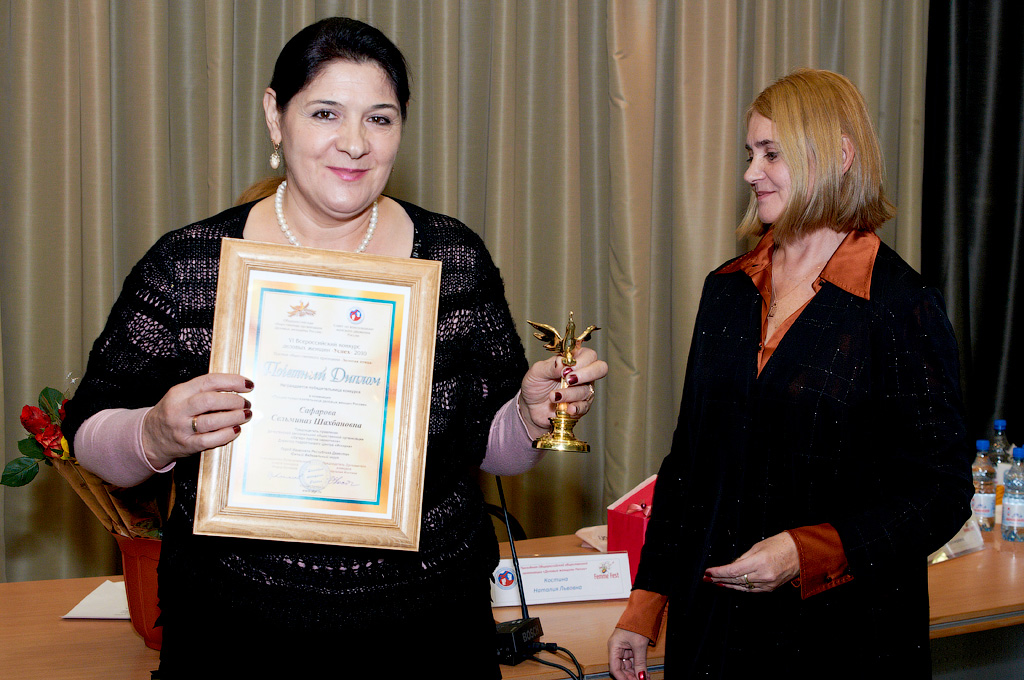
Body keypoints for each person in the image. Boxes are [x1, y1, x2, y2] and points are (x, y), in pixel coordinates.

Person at [62, 17, 606, 678]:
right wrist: (155, 433)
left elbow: (491, 446)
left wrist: (529, 414)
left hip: (429, 630)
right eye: (325, 113)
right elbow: (89, 434)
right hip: (234, 631)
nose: (354, 143)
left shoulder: (452, 259)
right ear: (275, 115)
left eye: (380, 119)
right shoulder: (189, 264)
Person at [607, 69, 973, 679]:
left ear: (840, 155)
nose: (751, 172)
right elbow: (688, 465)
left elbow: (940, 492)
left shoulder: (900, 307)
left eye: (771, 153)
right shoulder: (725, 289)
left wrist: (807, 552)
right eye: (750, 153)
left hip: (845, 637)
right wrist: (646, 603)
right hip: (715, 632)